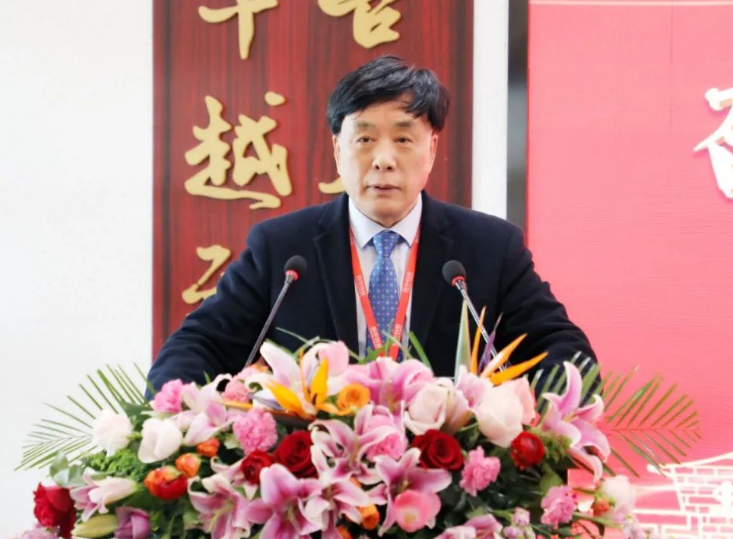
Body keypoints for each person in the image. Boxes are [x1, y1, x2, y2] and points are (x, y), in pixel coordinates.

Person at [147, 55, 595, 390]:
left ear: (431, 150)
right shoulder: (282, 248)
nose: (384, 159)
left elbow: (564, 352)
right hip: (315, 474)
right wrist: (179, 418)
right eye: (364, 139)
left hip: (448, 476)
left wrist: (525, 421)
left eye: (403, 139)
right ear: (337, 149)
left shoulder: (488, 248)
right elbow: (198, 346)